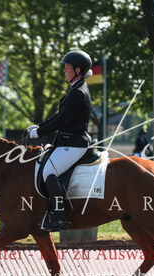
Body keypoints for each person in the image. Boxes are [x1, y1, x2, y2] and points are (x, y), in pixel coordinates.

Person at [27, 50, 94, 231]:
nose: (64, 71)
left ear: (78, 70)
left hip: (74, 143)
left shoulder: (78, 92)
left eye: (67, 67)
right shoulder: (76, 89)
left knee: (49, 172)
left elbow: (63, 120)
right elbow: (60, 115)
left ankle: (60, 216)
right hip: (68, 142)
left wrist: (40, 132)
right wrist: (39, 126)